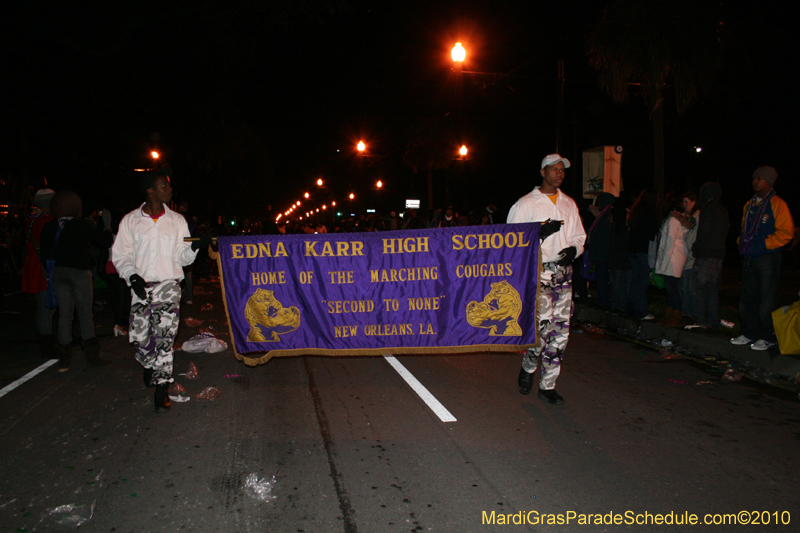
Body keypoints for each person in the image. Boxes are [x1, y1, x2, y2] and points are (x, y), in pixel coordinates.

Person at [112, 168, 210, 412]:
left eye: (169, 186)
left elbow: (183, 257)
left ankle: (161, 389)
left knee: (165, 340)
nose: (169, 190)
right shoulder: (130, 221)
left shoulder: (177, 221)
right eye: (164, 186)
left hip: (168, 286)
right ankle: (148, 364)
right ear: (150, 190)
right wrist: (131, 276)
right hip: (141, 287)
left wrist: (195, 247)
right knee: (142, 340)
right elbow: (121, 255)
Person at [507, 153, 586, 405]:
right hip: (538, 273)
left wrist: (574, 250)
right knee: (540, 329)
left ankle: (548, 385)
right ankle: (529, 366)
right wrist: (537, 233)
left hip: (563, 275)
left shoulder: (569, 204)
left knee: (560, 332)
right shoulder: (525, 204)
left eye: (562, 170)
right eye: (554, 169)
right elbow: (511, 242)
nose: (559, 173)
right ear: (543, 172)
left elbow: (579, 236)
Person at [40, 190, 113, 371]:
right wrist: (107, 225)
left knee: (65, 314)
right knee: (85, 314)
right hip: (79, 272)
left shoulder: (49, 227)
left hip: (58, 272)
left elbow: (44, 253)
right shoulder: (79, 225)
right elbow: (104, 241)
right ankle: (92, 355)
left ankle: (64, 357)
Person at [731, 166, 795, 351]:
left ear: (769, 182)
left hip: (767, 257)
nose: (755, 181)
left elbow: (786, 233)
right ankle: (749, 332)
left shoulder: (777, 204)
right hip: (750, 256)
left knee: (767, 298)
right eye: (754, 178)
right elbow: (744, 229)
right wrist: (741, 243)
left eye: (759, 178)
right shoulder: (749, 205)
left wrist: (763, 244)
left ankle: (767, 336)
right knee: (747, 297)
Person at [22, 189, 56, 358]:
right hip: (43, 266)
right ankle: (48, 345)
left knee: (43, 306)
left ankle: (46, 341)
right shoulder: (45, 221)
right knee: (46, 307)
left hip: (34, 264)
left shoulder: (31, 219)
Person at [690, 182, 728, 330]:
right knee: (712, 287)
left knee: (698, 285)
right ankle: (713, 319)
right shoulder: (722, 209)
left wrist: (696, 247)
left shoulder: (707, 208)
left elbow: (704, 232)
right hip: (719, 253)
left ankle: (700, 319)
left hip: (706, 253)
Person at [626, 189, 661, 320]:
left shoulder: (636, 211)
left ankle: (631, 309)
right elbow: (651, 232)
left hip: (632, 249)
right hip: (643, 250)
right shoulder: (650, 213)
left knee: (635, 280)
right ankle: (641, 311)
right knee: (641, 282)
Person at [654, 192, 687, 327]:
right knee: (671, 289)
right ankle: (670, 315)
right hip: (673, 259)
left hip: (672, 260)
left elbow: (669, 244)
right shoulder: (674, 219)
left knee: (672, 290)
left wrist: (662, 265)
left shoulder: (673, 221)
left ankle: (675, 316)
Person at [586, 192, 616, 309]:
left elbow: (602, 235)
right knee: (601, 277)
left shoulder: (606, 215)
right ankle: (602, 299)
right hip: (601, 252)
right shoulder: (603, 214)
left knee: (602, 277)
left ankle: (603, 301)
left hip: (602, 253)